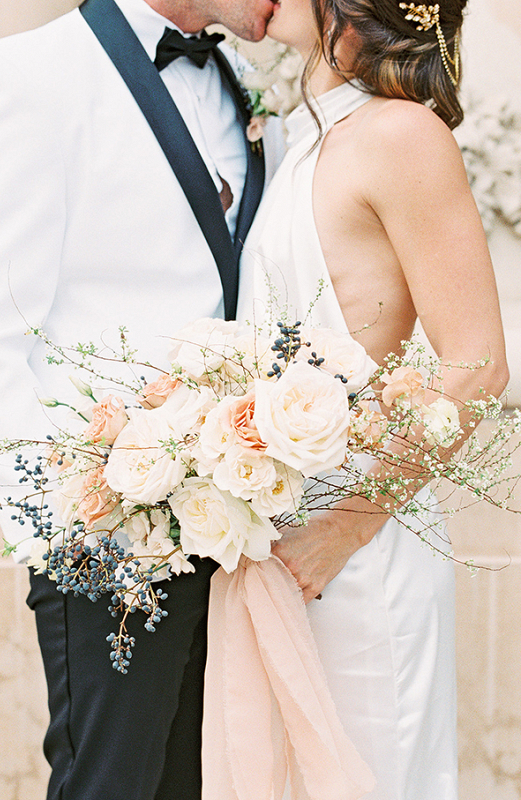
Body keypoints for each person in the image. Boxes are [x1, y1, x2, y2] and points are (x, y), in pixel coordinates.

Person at [0, 1, 282, 798]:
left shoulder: (249, 83)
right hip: (106, 538)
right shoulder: (24, 77)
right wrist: (74, 542)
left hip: (236, 530)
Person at [237, 0, 508, 798]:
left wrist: (339, 533)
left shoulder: (401, 134)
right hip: (283, 537)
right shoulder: (306, 140)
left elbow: (479, 365)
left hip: (359, 546)